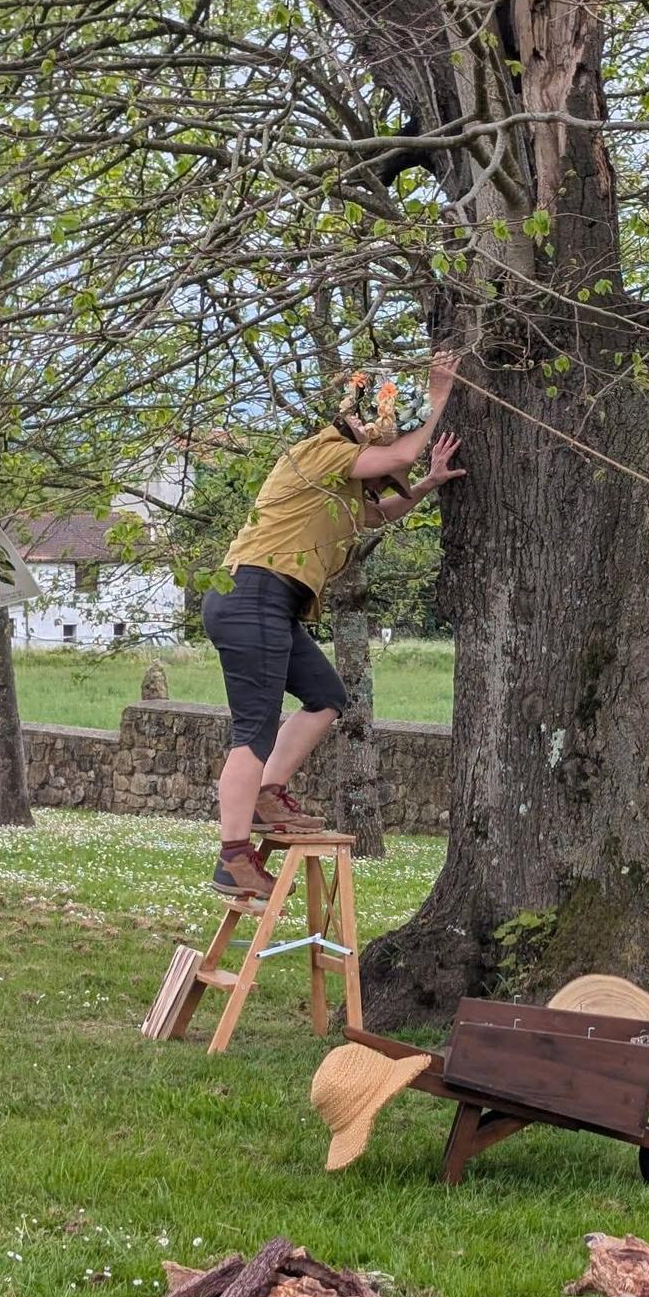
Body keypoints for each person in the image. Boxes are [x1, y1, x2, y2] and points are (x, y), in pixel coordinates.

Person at [202, 351, 464, 904]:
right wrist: (438, 394)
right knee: (254, 729)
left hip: (270, 601)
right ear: (368, 433)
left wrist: (429, 485)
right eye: (387, 467)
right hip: (254, 594)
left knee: (326, 696)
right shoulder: (322, 453)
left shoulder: (338, 484)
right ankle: (233, 859)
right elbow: (406, 449)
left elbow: (376, 514)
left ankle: (269, 792)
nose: (394, 476)